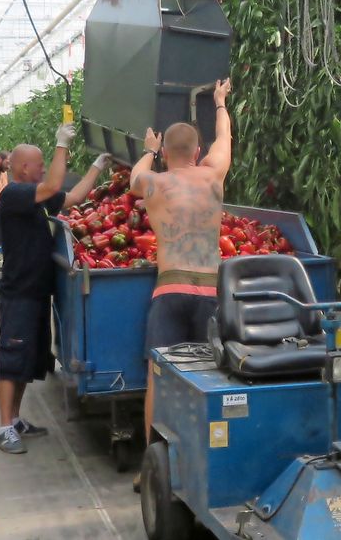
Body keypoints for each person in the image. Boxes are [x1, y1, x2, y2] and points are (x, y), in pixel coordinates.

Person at [130, 78, 232, 490]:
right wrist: (220, 103)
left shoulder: (154, 183)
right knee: (211, 377)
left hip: (169, 291)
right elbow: (224, 139)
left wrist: (149, 149)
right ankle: (212, 463)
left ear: (166, 153)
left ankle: (150, 470)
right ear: (196, 153)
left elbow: (138, 173)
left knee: (159, 377)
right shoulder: (212, 177)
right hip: (209, 292)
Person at [0, 123, 113, 454]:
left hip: (35, 292)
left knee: (26, 361)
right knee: (11, 358)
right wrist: (61, 143)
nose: (44, 167)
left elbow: (73, 197)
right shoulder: (14, 194)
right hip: (18, 293)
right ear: (23, 168)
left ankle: (16, 419)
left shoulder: (35, 199)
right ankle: (4, 428)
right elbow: (54, 185)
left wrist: (96, 167)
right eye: (40, 163)